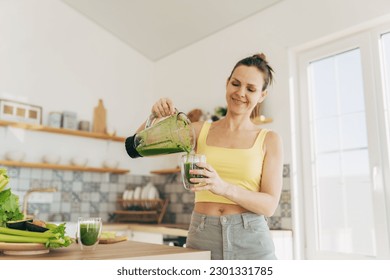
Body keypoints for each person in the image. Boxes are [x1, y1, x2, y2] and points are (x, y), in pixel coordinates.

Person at [136, 53, 283, 260]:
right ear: (227, 83)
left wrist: (223, 187)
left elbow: (269, 206)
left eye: (250, 89)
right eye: (236, 83)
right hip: (203, 236)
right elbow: (137, 147)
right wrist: (153, 117)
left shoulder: (269, 139)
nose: (240, 93)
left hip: (251, 241)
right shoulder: (198, 130)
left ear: (262, 95)